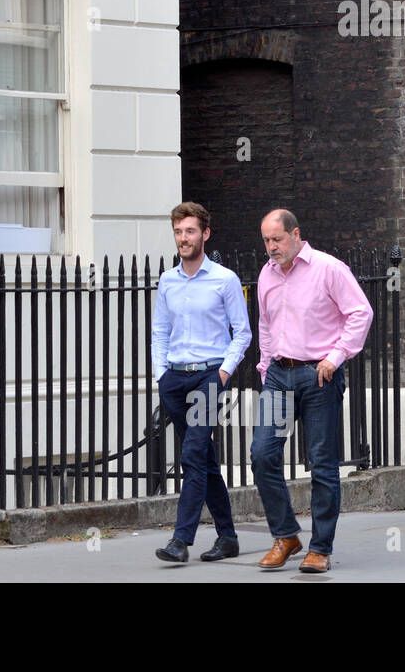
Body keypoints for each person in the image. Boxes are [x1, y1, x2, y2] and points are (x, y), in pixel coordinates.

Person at [252, 208, 373, 573]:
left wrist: (335, 358)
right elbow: (267, 323)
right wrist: (265, 366)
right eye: (266, 241)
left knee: (322, 465)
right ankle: (286, 535)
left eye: (277, 239)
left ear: (295, 234)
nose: (272, 247)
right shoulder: (266, 274)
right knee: (261, 454)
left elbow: (360, 313)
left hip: (318, 376)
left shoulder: (328, 268)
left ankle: (319, 549)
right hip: (278, 374)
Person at [152, 201, 252, 564]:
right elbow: (159, 331)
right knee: (204, 459)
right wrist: (160, 374)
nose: (183, 238)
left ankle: (181, 540)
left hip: (210, 375)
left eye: (190, 231)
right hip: (174, 378)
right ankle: (228, 536)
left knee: (193, 454)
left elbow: (242, 333)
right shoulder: (167, 280)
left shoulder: (224, 279)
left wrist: (223, 372)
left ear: (205, 234)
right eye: (178, 232)